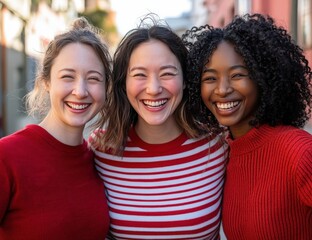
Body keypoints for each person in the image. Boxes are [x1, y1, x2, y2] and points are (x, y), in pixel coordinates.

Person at [90, 15, 228, 239]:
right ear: (124, 83)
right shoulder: (101, 149)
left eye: (167, 74)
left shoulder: (217, 144)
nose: (153, 89)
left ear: (185, 80)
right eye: (140, 75)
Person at [183, 13, 312, 239]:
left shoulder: (298, 150)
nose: (222, 90)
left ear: (264, 78)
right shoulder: (226, 152)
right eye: (210, 78)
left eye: (237, 75)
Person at [0, 17, 112, 240]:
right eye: (67, 77)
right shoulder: (6, 156)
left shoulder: (97, 161)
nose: (80, 91)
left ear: (106, 88)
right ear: (46, 82)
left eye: (93, 78)